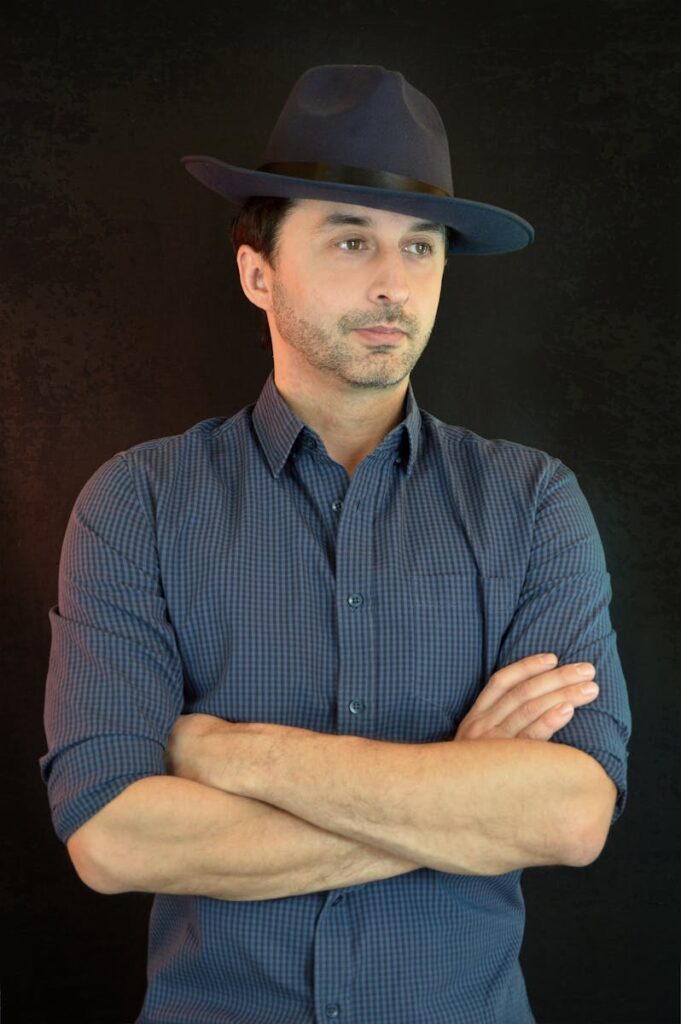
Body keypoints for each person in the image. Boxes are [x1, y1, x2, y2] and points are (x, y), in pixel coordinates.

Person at [40, 64, 632, 1024]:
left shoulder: (531, 503)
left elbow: (568, 815)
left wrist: (233, 755)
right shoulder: (138, 502)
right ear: (257, 272)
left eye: (420, 247)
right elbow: (114, 839)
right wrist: (457, 794)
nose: (393, 283)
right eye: (351, 240)